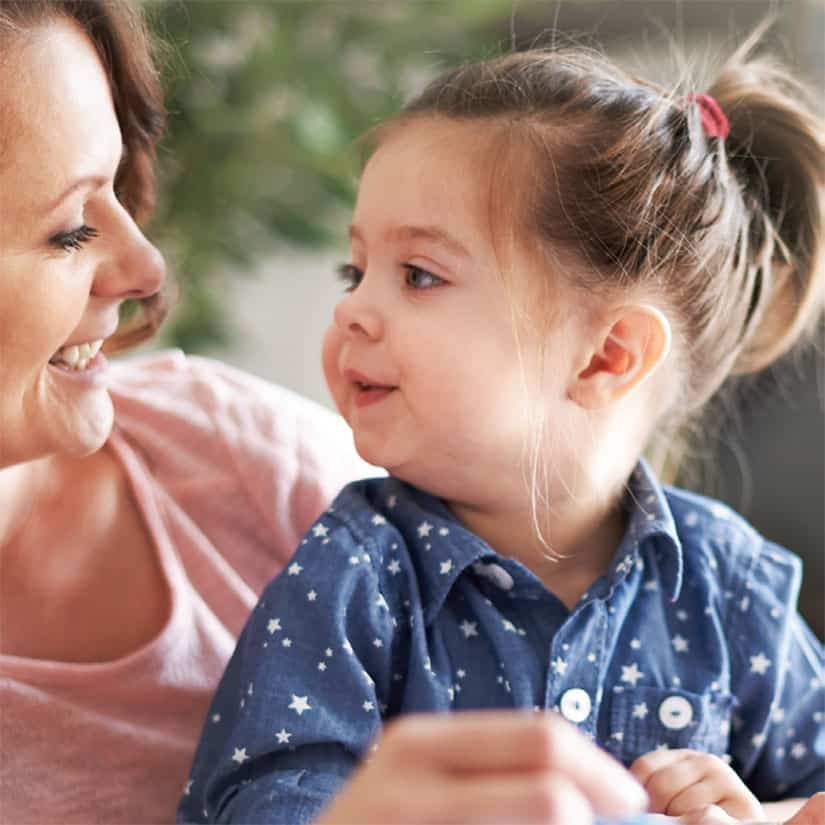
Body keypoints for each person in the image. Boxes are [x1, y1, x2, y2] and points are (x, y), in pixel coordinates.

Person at [0, 3, 655, 825]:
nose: (146, 266)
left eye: (117, 189)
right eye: (68, 230)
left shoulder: (238, 452)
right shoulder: (349, 564)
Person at [179, 30, 825, 825]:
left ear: (606, 356)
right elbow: (260, 806)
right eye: (356, 271)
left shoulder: (731, 587)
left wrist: (763, 816)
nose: (352, 310)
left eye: (418, 275)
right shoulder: (352, 575)